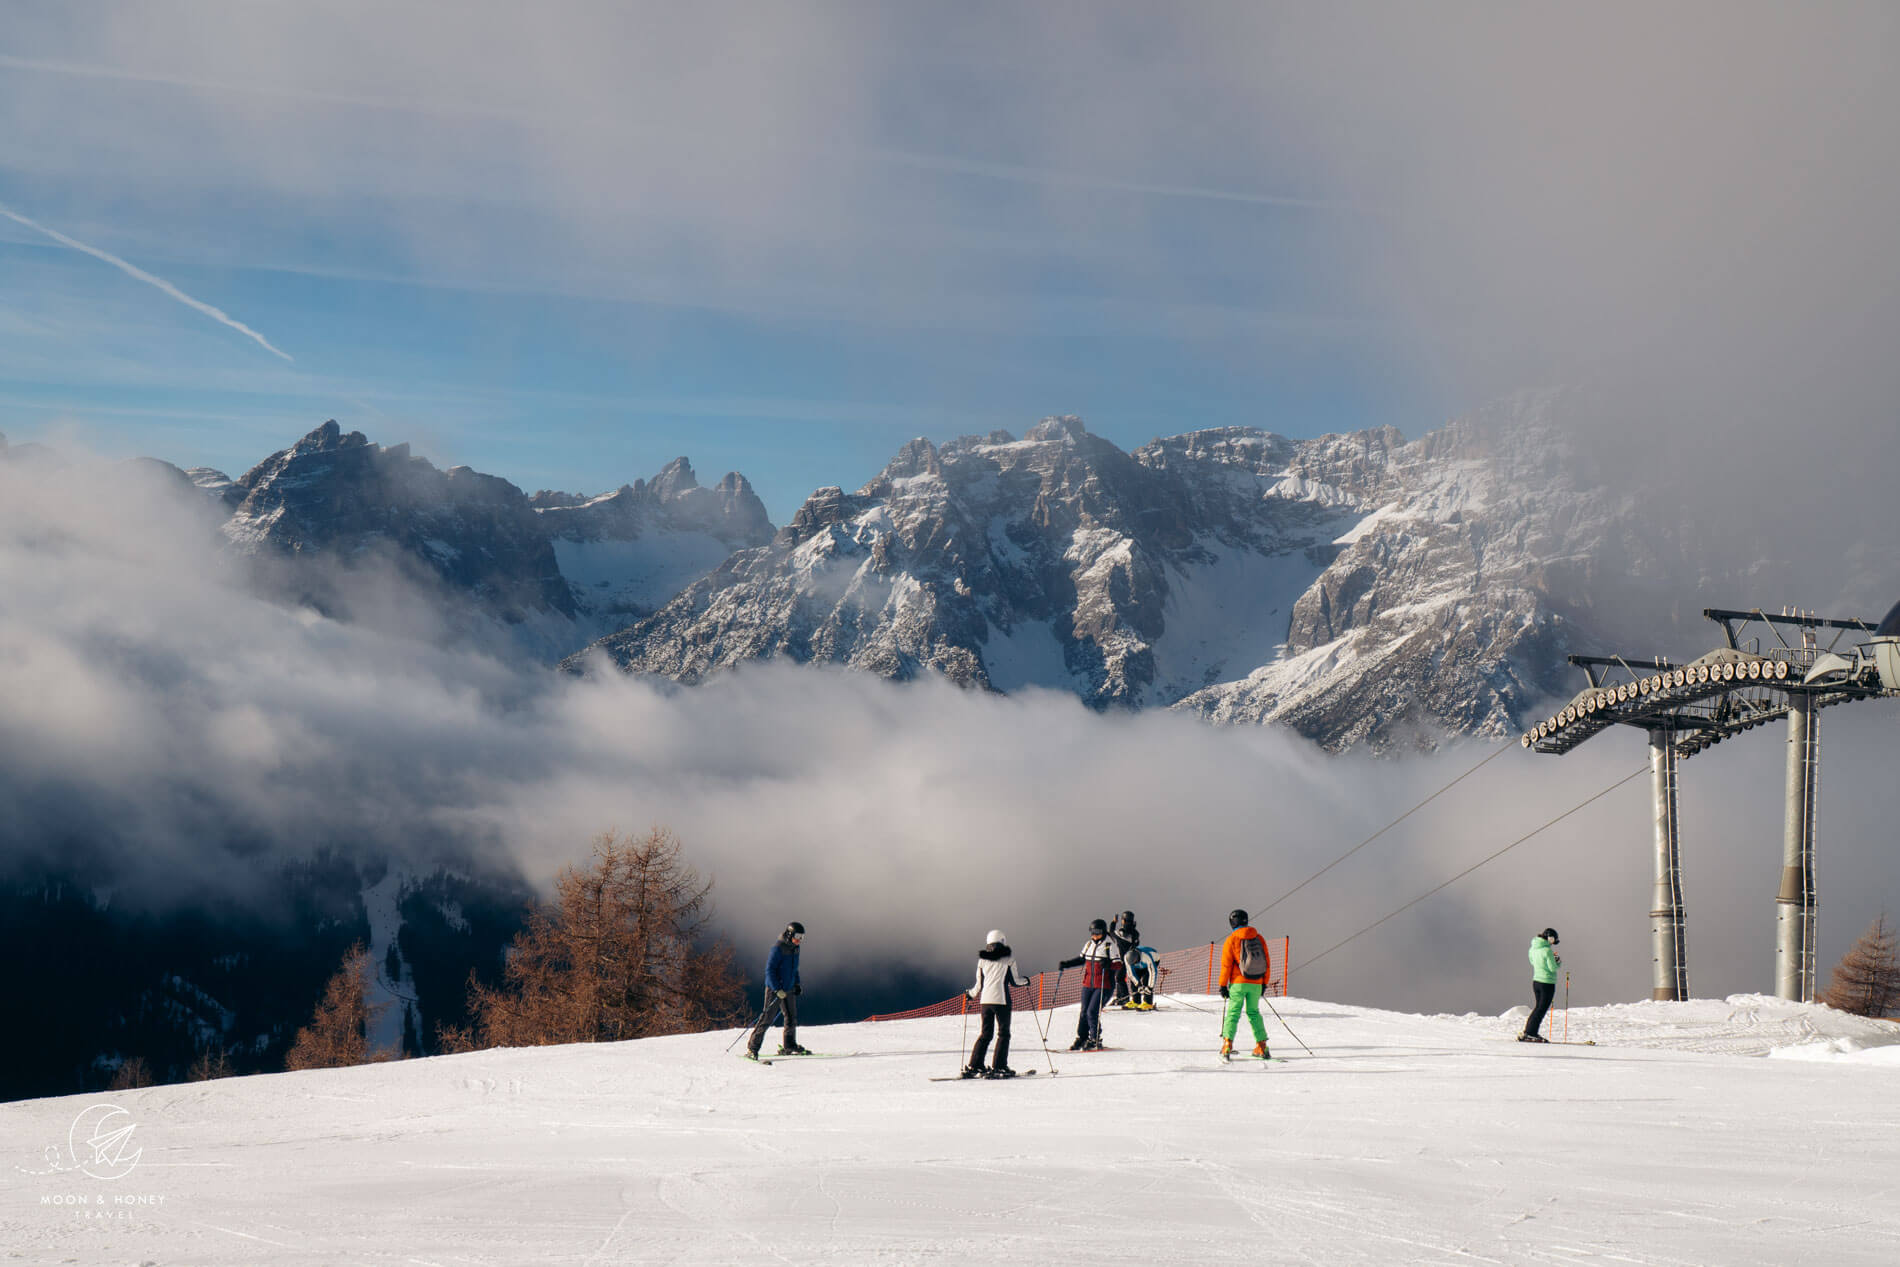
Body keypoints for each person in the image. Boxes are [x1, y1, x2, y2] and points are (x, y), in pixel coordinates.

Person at [964, 929, 1032, 1078]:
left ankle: (975, 1065)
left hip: (985, 1002)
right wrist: (1026, 981)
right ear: (1003, 942)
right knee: (1003, 1033)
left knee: (986, 1034)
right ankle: (999, 1066)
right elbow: (1015, 982)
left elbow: (979, 984)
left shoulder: (982, 961)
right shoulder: (1009, 959)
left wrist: (970, 994)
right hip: (1001, 1001)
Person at [744, 921, 808, 1060]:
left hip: (788, 988)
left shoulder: (795, 948)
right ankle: (752, 1048)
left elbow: (794, 969)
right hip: (775, 989)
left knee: (791, 1017)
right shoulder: (778, 948)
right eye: (798, 936)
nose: (800, 940)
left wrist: (796, 984)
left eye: (802, 937)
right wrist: (777, 988)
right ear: (790, 934)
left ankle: (789, 1045)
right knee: (767, 1018)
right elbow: (770, 971)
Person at [1059, 917, 1122, 1050]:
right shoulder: (1089, 944)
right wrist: (1067, 964)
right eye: (1092, 932)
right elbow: (1082, 959)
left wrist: (1109, 964)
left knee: (1092, 1012)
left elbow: (1119, 965)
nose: (1094, 935)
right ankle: (1082, 1037)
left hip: (1104, 985)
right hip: (1088, 983)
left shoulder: (1110, 945)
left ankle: (1095, 1038)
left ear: (1104, 931)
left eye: (1097, 931)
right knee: (1083, 1012)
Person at [1217, 908, 1271, 1060]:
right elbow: (1267, 962)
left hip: (1238, 983)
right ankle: (1261, 1046)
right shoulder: (1259, 938)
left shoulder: (1232, 939)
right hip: (1256, 983)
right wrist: (1264, 983)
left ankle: (1227, 1045)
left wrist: (1222, 985)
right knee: (1254, 1013)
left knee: (1233, 1014)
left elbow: (1226, 965)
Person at [1520, 928, 1562, 1043]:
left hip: (1536, 982)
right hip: (1547, 983)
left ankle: (1528, 1031)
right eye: (1553, 940)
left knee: (1538, 1008)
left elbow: (1533, 962)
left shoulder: (1533, 948)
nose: (1553, 943)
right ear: (1550, 938)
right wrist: (1558, 961)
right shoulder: (1547, 951)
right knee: (1541, 1009)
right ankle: (1530, 1033)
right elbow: (1553, 968)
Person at [1108, 910, 1142, 1007]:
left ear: (1123, 920)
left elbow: (1111, 933)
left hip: (1123, 960)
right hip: (1134, 958)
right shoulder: (1135, 933)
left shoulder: (1121, 933)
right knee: (1133, 978)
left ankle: (1124, 998)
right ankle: (1132, 998)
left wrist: (1113, 923)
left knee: (1119, 978)